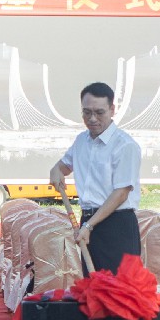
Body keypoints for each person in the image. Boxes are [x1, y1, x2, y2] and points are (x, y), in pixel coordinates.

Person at [54, 83, 143, 274]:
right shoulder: (81, 141)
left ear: (112, 110)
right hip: (88, 221)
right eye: (86, 112)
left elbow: (121, 193)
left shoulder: (125, 145)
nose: (92, 119)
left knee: (119, 291)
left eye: (99, 112)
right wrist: (56, 171)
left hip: (116, 225)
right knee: (93, 291)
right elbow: (63, 166)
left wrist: (89, 226)